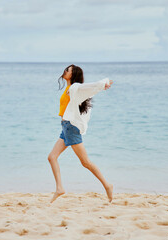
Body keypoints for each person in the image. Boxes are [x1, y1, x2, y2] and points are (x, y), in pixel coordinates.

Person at [47, 64, 114, 203]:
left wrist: (104, 84)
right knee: (52, 157)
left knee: (85, 162)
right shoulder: (69, 88)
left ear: (73, 74)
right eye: (66, 69)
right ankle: (60, 188)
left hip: (71, 128)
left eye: (68, 70)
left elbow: (90, 87)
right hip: (65, 128)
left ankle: (107, 185)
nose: (64, 71)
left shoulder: (75, 87)